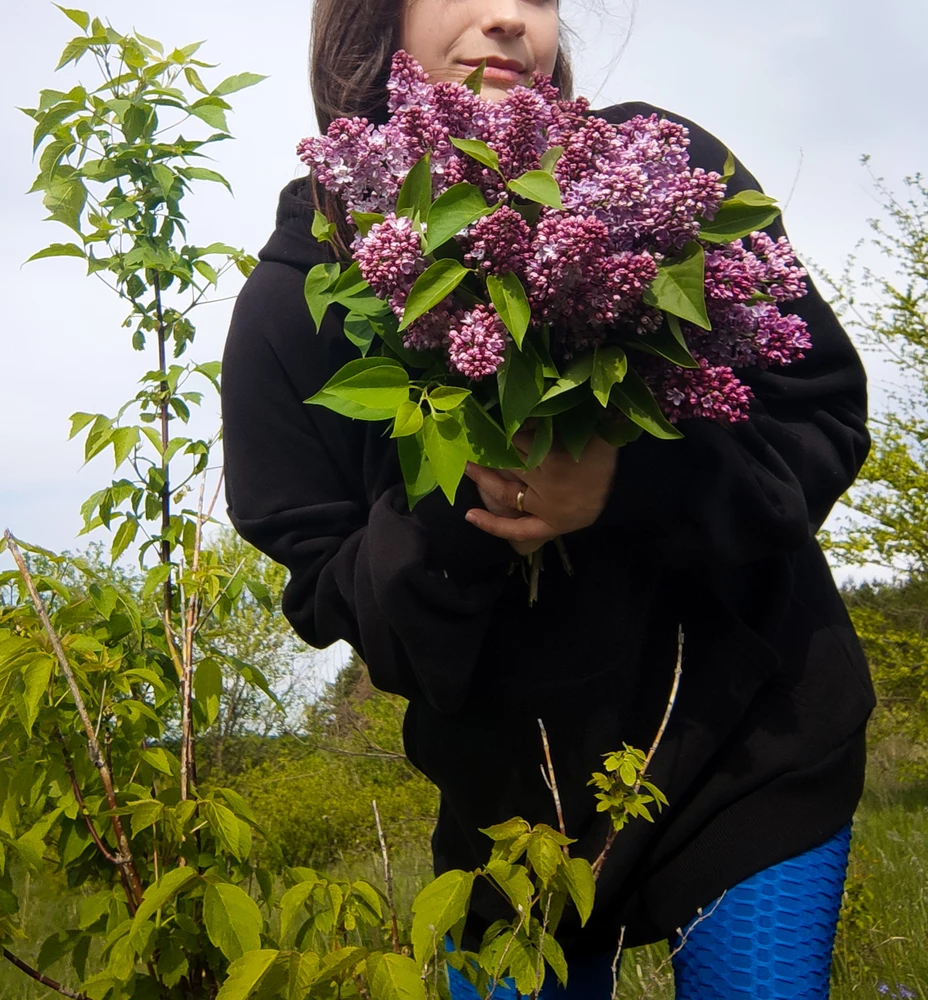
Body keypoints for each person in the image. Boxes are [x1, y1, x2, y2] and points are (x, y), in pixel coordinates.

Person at [221, 0, 875, 996]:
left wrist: (631, 478)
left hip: (754, 738)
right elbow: (325, 581)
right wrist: (471, 505)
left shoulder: (657, 175)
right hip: (511, 817)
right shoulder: (291, 305)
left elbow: (818, 415)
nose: (506, 19)